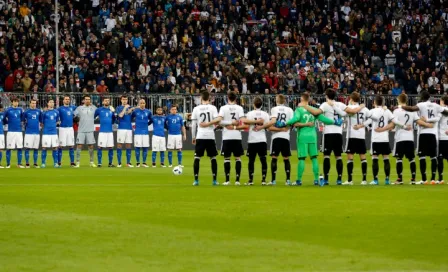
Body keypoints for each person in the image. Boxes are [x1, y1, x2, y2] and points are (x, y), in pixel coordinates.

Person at [303, 89, 364, 185]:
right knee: (338, 156)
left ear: (327, 96)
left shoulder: (325, 104)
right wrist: (361, 105)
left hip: (328, 133)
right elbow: (352, 111)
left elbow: (315, 113)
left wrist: (305, 106)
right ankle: (339, 179)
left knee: (326, 155)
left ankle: (326, 179)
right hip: (338, 133)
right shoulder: (340, 104)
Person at [279, 92, 342, 186]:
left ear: (302, 99)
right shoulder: (314, 110)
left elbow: (294, 119)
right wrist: (335, 122)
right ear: (308, 100)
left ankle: (299, 180)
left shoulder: (299, 110)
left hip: (302, 136)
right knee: (314, 158)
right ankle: (316, 180)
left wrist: (284, 123)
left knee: (302, 158)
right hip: (312, 136)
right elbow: (324, 119)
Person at [376, 94, 432, 185]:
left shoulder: (396, 111)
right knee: (411, 159)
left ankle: (400, 179)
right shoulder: (411, 111)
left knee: (399, 159)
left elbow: (393, 124)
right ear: (406, 100)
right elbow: (418, 121)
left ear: (398, 100)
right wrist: (428, 124)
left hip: (400, 138)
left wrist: (382, 129)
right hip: (410, 138)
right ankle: (413, 179)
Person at [355, 95, 406, 185]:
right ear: (383, 103)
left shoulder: (372, 111)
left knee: (375, 159)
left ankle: (375, 179)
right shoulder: (387, 111)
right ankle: (387, 180)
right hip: (385, 139)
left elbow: (368, 121)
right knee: (386, 159)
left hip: (376, 139)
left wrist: (360, 125)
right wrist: (404, 126)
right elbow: (395, 121)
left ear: (374, 102)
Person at [402, 91, 448, 184]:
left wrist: (401, 106)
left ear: (422, 97)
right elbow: (445, 112)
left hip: (423, 133)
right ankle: (433, 179)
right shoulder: (436, 106)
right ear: (429, 97)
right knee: (433, 157)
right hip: (433, 134)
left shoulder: (421, 104)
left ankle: (424, 179)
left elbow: (411, 109)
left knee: (422, 156)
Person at [255, 94, 294, 185]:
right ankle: (288, 180)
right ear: (284, 101)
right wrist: (284, 128)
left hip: (276, 137)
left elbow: (270, 126)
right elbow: (292, 123)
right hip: (286, 137)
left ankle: (273, 180)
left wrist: (262, 127)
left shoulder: (274, 109)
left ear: (277, 101)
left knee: (274, 158)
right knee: (286, 158)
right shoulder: (290, 110)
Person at [212, 91, 245, 185]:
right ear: (235, 98)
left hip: (227, 136)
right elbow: (242, 121)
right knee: (238, 158)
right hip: (237, 136)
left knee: (227, 158)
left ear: (227, 98)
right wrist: (233, 124)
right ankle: (237, 181)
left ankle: (227, 180)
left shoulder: (223, 108)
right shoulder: (239, 108)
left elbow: (219, 121)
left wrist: (228, 123)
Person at [191, 91, 219, 186]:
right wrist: (212, 127)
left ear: (201, 98)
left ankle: (196, 180)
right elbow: (217, 122)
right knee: (213, 157)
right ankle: (214, 180)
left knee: (197, 157)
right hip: (210, 135)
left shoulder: (196, 108)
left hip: (200, 135)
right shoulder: (213, 108)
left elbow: (194, 124)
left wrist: (193, 136)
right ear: (209, 98)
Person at [342, 92, 370, 185]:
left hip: (351, 135)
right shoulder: (364, 109)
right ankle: (364, 180)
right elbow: (371, 119)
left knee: (350, 157)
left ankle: (350, 180)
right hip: (361, 135)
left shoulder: (349, 108)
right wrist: (362, 125)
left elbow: (343, 114)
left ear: (351, 98)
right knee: (363, 157)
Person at [241, 97, 270, 185]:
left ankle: (250, 180)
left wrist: (253, 121)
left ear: (254, 104)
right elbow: (268, 126)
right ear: (261, 104)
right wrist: (260, 123)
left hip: (252, 140)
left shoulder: (250, 113)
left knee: (251, 160)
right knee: (263, 160)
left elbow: (245, 122)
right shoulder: (265, 114)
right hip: (262, 139)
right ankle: (264, 180)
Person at [74, 95, 97, 168]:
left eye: (89, 99)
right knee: (79, 145)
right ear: (83, 100)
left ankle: (91, 162)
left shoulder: (94, 108)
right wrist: (77, 120)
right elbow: (74, 116)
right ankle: (77, 162)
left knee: (91, 146)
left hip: (90, 130)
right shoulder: (79, 108)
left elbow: (98, 114)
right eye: (86, 99)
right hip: (81, 130)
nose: (87, 100)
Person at [3, 98, 24, 168]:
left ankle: (19, 164)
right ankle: (8, 164)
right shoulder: (8, 110)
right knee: (9, 148)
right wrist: (7, 122)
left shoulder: (20, 110)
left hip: (19, 131)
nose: (16, 103)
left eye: (17, 102)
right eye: (15, 102)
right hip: (10, 131)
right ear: (12, 102)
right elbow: (3, 118)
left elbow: (22, 118)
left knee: (20, 148)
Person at [94, 98, 116, 167]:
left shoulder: (111, 110)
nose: (107, 101)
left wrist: (114, 112)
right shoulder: (99, 110)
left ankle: (110, 163)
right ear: (103, 102)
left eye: (108, 100)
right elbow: (93, 116)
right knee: (100, 147)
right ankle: (99, 163)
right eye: (105, 100)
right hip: (102, 131)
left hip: (110, 131)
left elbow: (114, 120)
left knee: (111, 147)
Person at [131, 99, 152, 167]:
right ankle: (137, 163)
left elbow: (151, 120)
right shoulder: (135, 111)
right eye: (141, 103)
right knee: (137, 147)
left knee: (145, 148)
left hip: (145, 132)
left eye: (143, 103)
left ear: (145, 104)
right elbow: (130, 118)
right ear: (139, 104)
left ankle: (144, 162)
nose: (142, 104)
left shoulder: (148, 112)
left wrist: (147, 124)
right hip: (137, 132)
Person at [40, 99, 60, 168]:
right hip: (46, 133)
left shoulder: (56, 112)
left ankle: (55, 163)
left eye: (53, 102)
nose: (52, 103)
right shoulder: (44, 113)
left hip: (54, 133)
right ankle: (43, 163)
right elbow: (41, 123)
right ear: (48, 103)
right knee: (44, 148)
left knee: (55, 148)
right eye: (50, 102)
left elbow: (57, 121)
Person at [57, 95, 76, 167]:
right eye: (66, 99)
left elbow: (80, 109)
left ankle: (72, 162)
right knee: (61, 146)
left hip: (70, 128)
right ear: (63, 101)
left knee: (71, 145)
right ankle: (59, 162)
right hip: (62, 129)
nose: (67, 100)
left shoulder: (73, 108)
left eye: (68, 99)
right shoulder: (60, 109)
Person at [23, 99, 42, 168]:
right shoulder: (26, 112)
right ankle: (27, 163)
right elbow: (23, 120)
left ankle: (35, 163)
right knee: (27, 148)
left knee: (36, 148)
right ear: (30, 104)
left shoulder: (39, 111)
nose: (34, 104)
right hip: (28, 133)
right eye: (33, 103)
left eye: (35, 103)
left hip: (36, 133)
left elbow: (41, 120)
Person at [116, 96, 134, 167]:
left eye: (126, 99)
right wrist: (125, 108)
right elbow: (120, 115)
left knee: (129, 145)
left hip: (129, 128)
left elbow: (132, 115)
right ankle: (119, 162)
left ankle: (128, 162)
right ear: (121, 100)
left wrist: (132, 109)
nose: (125, 101)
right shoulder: (118, 108)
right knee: (119, 144)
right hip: (121, 128)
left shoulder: (130, 107)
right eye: (123, 99)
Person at [436, 96, 448, 184]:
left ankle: (440, 178)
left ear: (443, 101)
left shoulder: (441, 110)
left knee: (439, 158)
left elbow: (436, 120)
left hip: (442, 137)